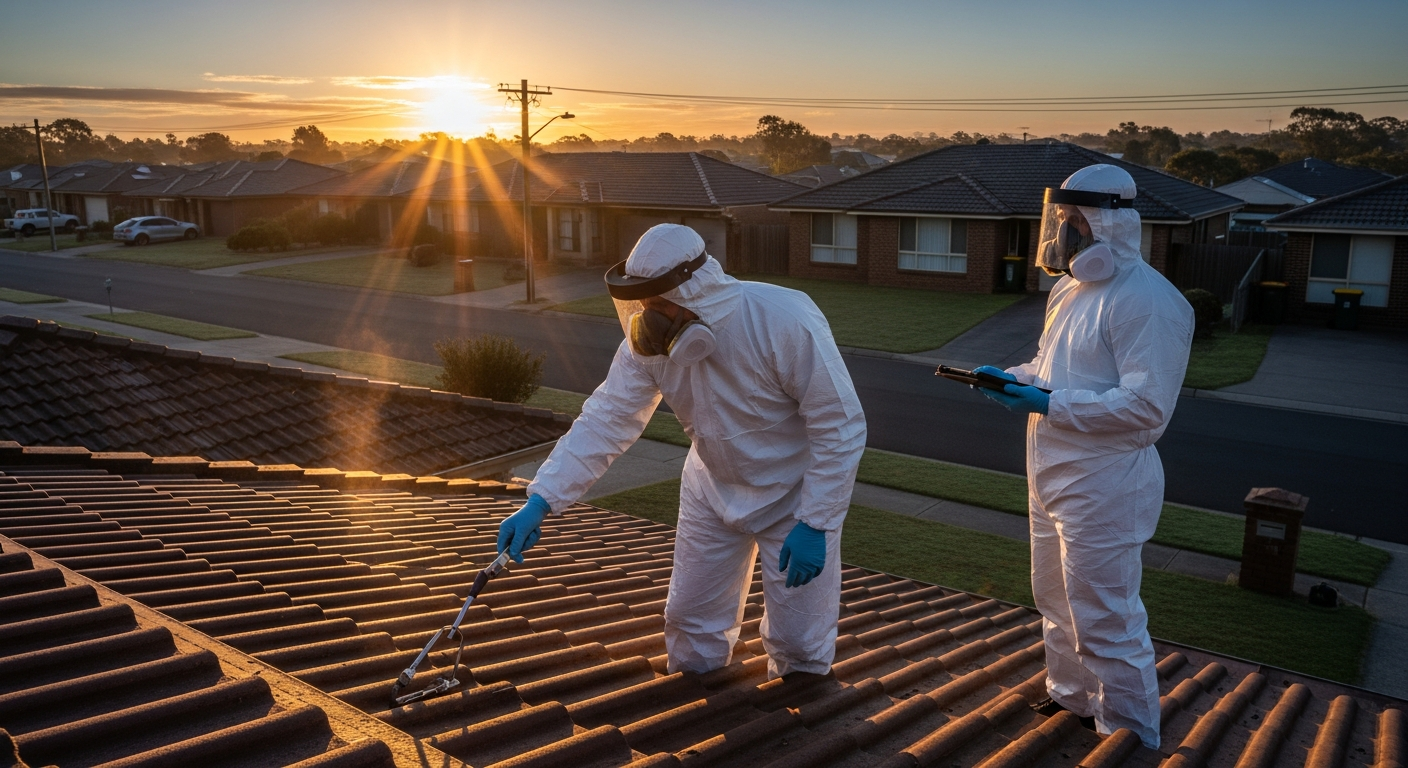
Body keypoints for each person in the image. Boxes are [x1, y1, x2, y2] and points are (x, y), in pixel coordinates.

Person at [498, 224, 867, 678]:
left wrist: (817, 520)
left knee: (799, 642)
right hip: (711, 488)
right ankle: (700, 714)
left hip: (795, 495)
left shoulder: (782, 319)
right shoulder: (645, 349)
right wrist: (543, 498)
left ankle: (805, 726)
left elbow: (840, 424)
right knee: (690, 622)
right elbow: (607, 418)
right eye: (643, 304)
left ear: (698, 289)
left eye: (660, 304)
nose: (651, 318)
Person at [972, 164, 1193, 749]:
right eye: (1059, 219)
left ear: (1108, 222)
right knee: (1053, 595)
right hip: (1050, 470)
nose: (1060, 233)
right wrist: (1009, 380)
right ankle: (1071, 698)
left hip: (1107, 483)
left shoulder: (1148, 301)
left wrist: (1047, 401)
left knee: (1105, 618)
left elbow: (1147, 409)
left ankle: (1128, 735)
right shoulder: (1071, 289)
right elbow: (1051, 370)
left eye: (1071, 221)